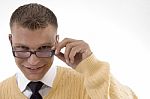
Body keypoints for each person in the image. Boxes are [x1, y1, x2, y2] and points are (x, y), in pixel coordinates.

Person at [0, 3, 137, 99]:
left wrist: (92, 68)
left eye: (44, 48)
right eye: (23, 48)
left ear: (56, 41)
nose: (33, 61)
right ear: (11, 41)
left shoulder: (88, 84)